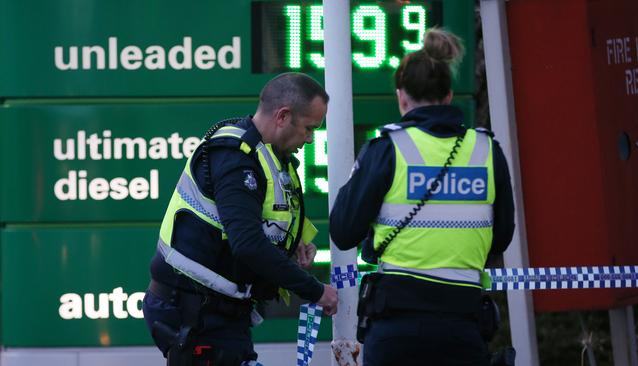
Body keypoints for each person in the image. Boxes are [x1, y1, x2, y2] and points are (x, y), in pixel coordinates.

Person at [330, 28, 515, 366]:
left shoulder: (387, 148)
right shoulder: (487, 151)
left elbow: (343, 230)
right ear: (448, 95)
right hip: (464, 324)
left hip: (395, 327)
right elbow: (501, 236)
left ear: (401, 97)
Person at [143, 72, 338, 366]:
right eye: (309, 129)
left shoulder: (266, 154)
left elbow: (257, 220)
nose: (310, 139)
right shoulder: (236, 158)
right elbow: (247, 244)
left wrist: (294, 244)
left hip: (221, 314)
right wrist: (315, 290)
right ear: (283, 116)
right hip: (194, 312)